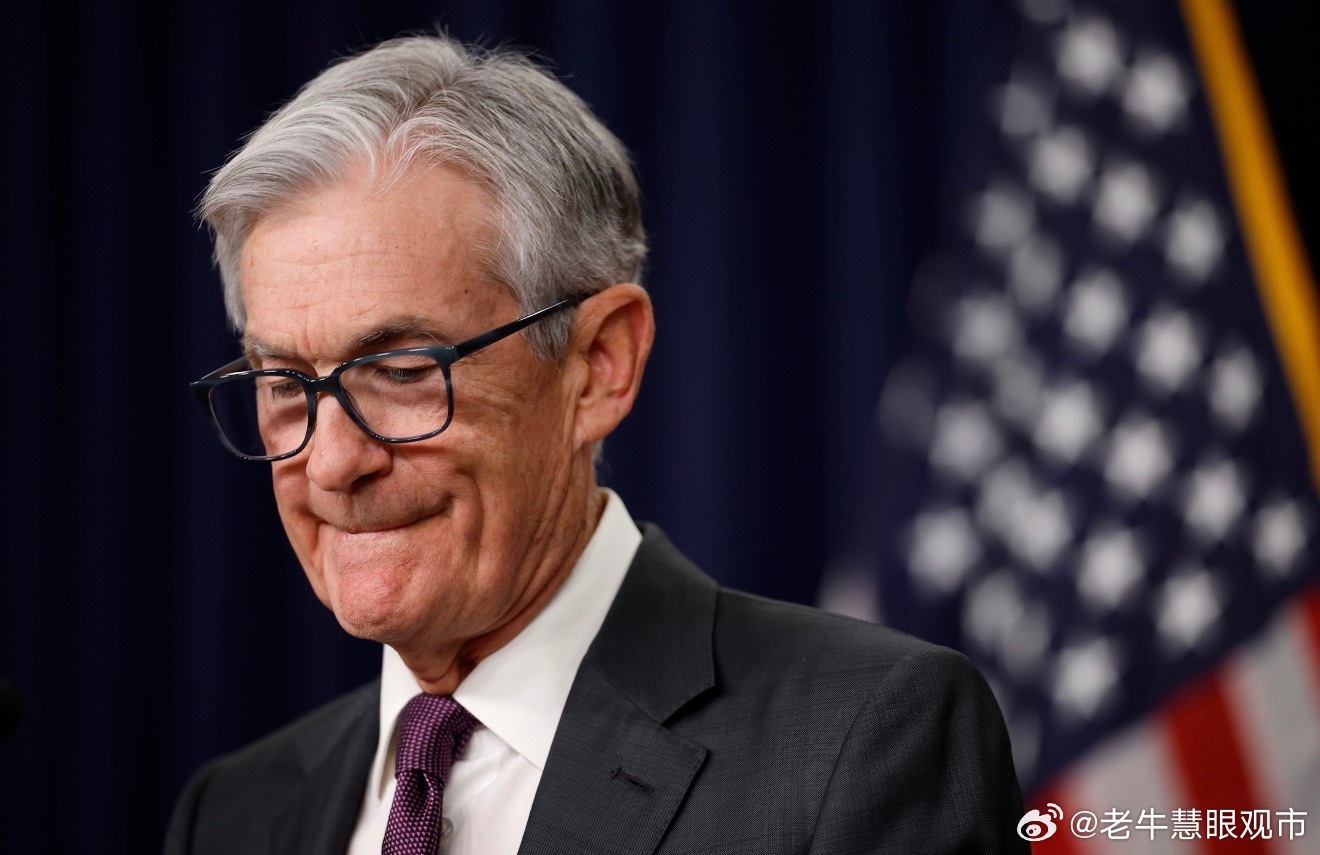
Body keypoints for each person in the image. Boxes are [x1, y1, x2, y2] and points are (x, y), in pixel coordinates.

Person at [166, 32, 1028, 855]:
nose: (331, 463)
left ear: (598, 365)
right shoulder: (234, 813)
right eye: (286, 385)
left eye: (399, 370)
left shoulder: (865, 738)